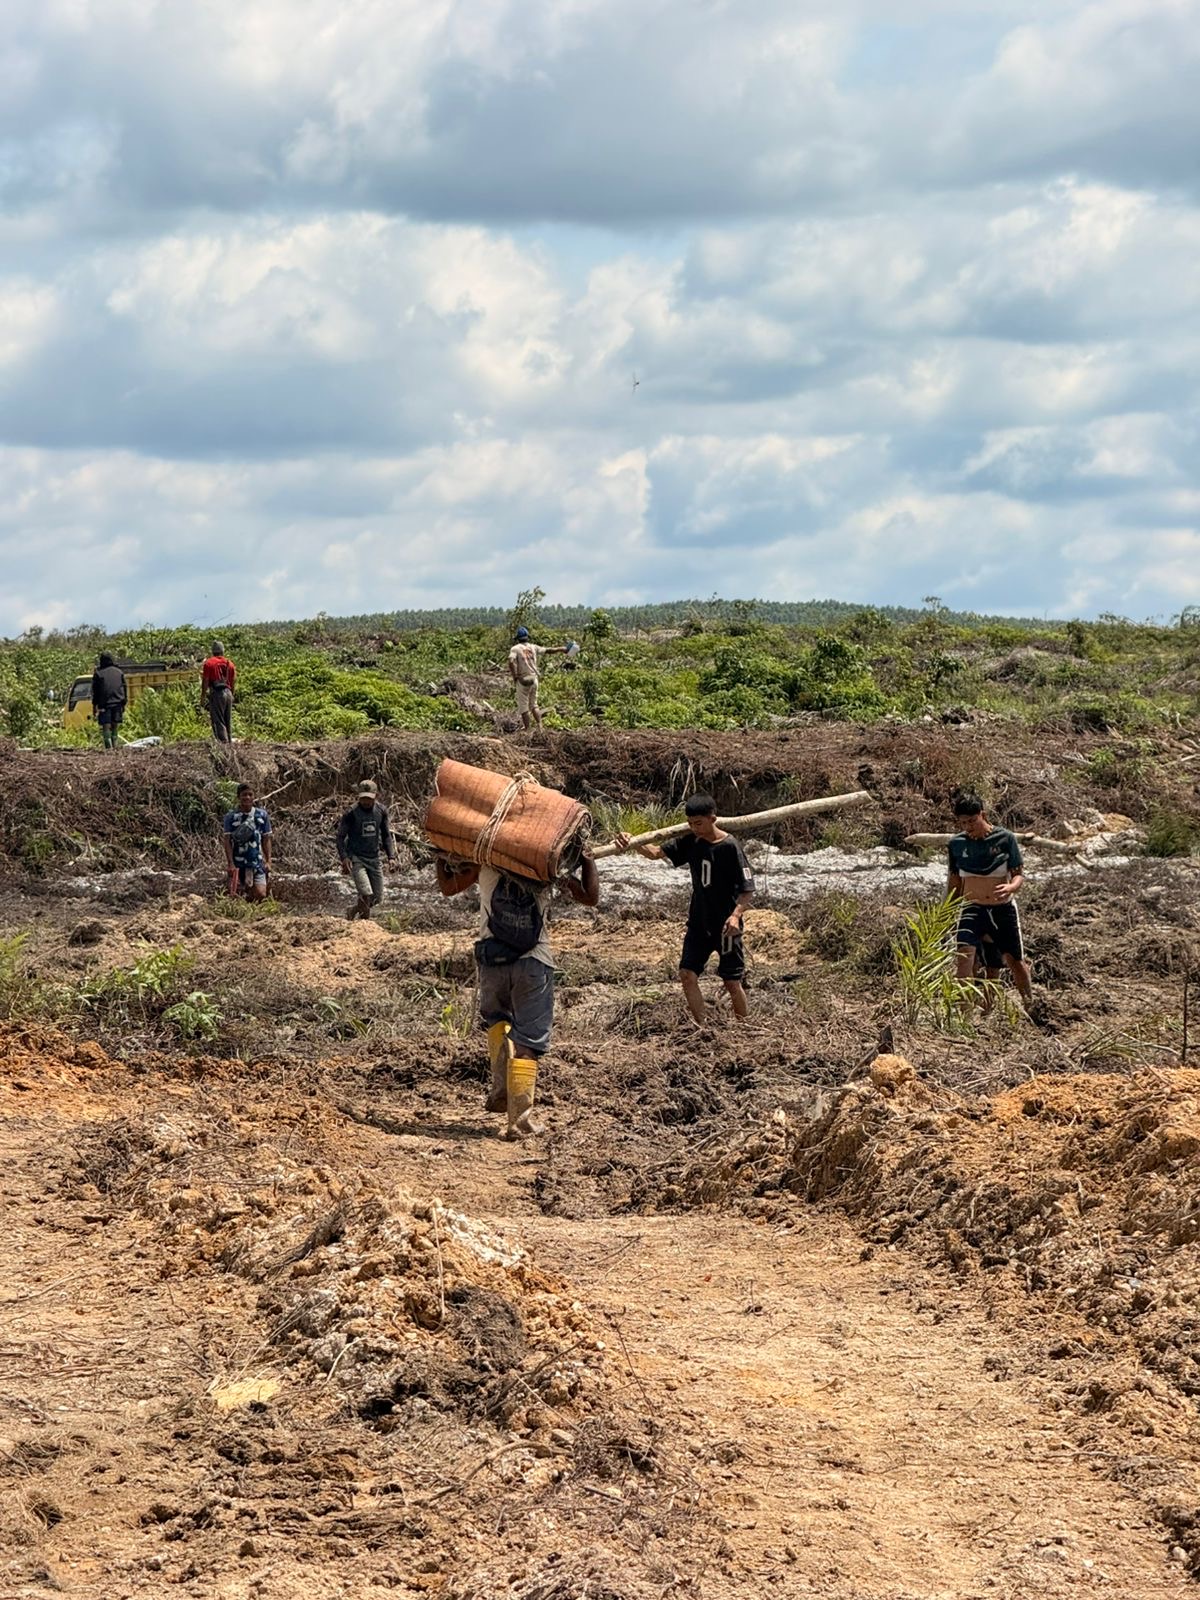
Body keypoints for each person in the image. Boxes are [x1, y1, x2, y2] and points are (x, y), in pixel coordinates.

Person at [436, 847, 600, 1139]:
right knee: (529, 1039)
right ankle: (519, 1121)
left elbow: (448, 888)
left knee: (498, 1021)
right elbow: (589, 897)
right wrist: (587, 859)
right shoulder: (543, 864)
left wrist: (441, 855)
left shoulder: (483, 862)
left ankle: (500, 1089)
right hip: (533, 962)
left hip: (493, 961)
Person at [619, 793, 755, 1023]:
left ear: (713, 819)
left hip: (725, 926)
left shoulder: (730, 847)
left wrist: (735, 916)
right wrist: (632, 842)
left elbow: (747, 889)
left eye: (699, 823)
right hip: (698, 923)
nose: (694, 828)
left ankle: (746, 1028)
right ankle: (703, 1028)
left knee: (731, 981)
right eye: (690, 824)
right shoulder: (690, 841)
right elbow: (655, 853)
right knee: (687, 974)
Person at [946, 793, 1034, 1009]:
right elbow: (955, 882)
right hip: (971, 909)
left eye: (972, 821)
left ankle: (1031, 1005)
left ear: (982, 815)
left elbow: (1018, 873)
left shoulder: (1005, 839)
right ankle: (962, 1014)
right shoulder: (956, 844)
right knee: (964, 960)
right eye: (963, 822)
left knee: (1014, 961)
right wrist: (947, 911)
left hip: (1001, 909)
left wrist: (1012, 887)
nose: (968, 826)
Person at [337, 780, 398, 920]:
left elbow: (386, 836)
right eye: (363, 798)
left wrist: (391, 857)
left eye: (369, 799)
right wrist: (344, 857)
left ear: (376, 796)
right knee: (366, 894)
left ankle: (353, 911)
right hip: (356, 858)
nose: (366, 802)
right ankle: (364, 925)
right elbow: (340, 837)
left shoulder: (381, 812)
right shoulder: (351, 813)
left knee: (377, 898)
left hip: (374, 858)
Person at [507, 626, 568, 731]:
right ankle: (540, 726)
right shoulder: (533, 647)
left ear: (518, 638)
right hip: (534, 679)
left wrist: (515, 676)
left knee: (523, 707)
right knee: (534, 705)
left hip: (523, 680)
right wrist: (562, 649)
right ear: (527, 637)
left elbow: (511, 661)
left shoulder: (515, 648)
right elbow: (549, 650)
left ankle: (527, 729)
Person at [223, 783, 273, 901]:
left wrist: (268, 861)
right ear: (238, 797)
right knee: (235, 895)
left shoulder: (262, 815)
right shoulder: (231, 817)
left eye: (250, 794)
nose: (247, 798)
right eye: (244, 795)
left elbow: (266, 839)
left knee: (261, 894)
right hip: (238, 863)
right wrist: (230, 863)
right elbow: (227, 841)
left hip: (256, 862)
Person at [201, 641, 237, 743]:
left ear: (213, 651)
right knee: (227, 721)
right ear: (222, 651)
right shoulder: (230, 664)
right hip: (228, 693)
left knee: (218, 721)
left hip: (217, 694)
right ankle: (229, 744)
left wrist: (203, 697)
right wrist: (232, 695)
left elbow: (205, 682)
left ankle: (223, 747)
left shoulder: (209, 663)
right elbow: (233, 681)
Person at [90, 652, 127, 751]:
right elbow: (124, 688)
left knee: (106, 726)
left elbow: (96, 692)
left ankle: (109, 748)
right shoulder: (119, 672)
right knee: (115, 725)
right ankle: (115, 746)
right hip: (118, 702)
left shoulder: (98, 674)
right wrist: (124, 703)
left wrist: (94, 706)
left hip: (104, 704)